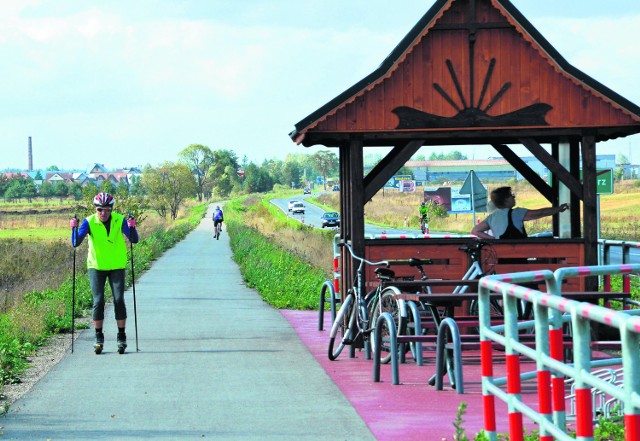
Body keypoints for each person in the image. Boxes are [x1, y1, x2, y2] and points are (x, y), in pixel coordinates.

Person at [69, 192, 139, 353]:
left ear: (112, 209)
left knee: (119, 299)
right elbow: (75, 242)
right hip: (96, 266)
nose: (103, 213)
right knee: (98, 301)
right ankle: (98, 336)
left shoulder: (119, 220)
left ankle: (121, 336)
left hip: (116, 266)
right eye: (100, 209)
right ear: (96, 209)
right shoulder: (89, 222)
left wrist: (132, 227)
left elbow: (134, 240)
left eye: (107, 209)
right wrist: (74, 228)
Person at [471, 186, 569, 239]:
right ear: (505, 199)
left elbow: (475, 231)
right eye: (511, 195)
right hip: (518, 253)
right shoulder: (516, 213)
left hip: (500, 254)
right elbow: (541, 213)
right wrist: (559, 209)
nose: (514, 197)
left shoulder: (492, 217)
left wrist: (493, 240)